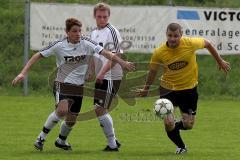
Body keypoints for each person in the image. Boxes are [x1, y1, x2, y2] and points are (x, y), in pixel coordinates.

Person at [12, 18, 135, 151]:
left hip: (78, 86)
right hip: (62, 82)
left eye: (79, 31)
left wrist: (122, 63)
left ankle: (61, 141)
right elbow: (38, 55)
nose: (78, 34)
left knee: (71, 120)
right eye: (74, 31)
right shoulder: (59, 45)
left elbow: (106, 53)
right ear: (67, 32)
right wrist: (23, 73)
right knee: (62, 110)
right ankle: (41, 138)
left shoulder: (86, 42)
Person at [137, 23, 230, 154]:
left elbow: (208, 44)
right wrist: (146, 89)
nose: (173, 38)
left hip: (189, 90)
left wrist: (219, 61)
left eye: (176, 35)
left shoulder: (190, 43)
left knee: (188, 125)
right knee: (169, 123)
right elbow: (152, 71)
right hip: (168, 90)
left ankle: (175, 126)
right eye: (170, 35)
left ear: (181, 34)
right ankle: (181, 146)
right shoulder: (159, 52)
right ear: (166, 34)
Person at [90, 2, 123, 152]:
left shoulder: (112, 31)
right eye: (99, 16)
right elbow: (93, 54)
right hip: (100, 76)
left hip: (111, 76)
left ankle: (112, 144)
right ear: (95, 17)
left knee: (100, 109)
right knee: (99, 109)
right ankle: (113, 140)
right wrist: (91, 71)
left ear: (109, 16)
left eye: (105, 16)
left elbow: (117, 55)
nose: (102, 19)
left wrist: (102, 73)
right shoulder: (93, 32)